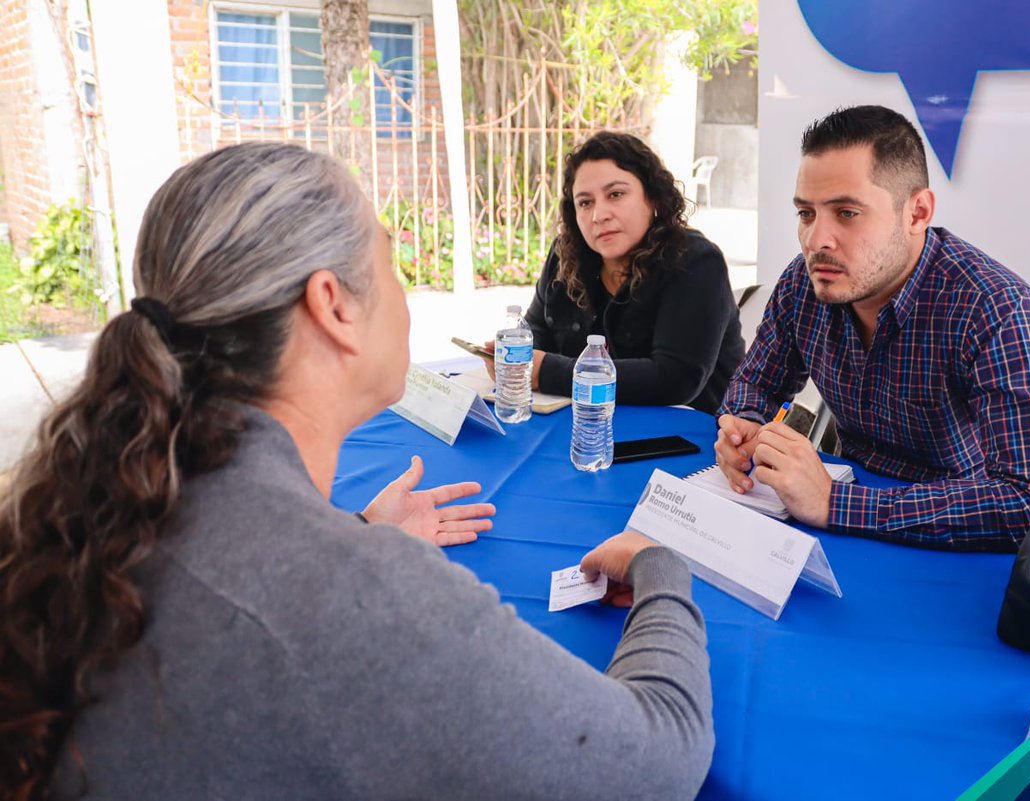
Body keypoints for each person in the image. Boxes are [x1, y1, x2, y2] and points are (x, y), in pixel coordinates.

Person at [0, 144, 713, 799]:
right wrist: (660, 566)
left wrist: (357, 530)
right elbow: (659, 762)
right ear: (332, 305)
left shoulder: (101, 503)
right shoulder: (352, 595)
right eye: (392, 265)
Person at [715, 105, 1030, 551]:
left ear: (917, 213)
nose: (816, 240)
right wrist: (744, 428)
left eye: (846, 213)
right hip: (839, 517)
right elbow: (754, 384)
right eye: (806, 214)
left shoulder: (992, 306)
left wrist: (836, 503)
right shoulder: (804, 281)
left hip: (954, 539)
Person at [490, 131, 745, 415]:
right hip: (588, 424)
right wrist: (515, 360)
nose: (599, 214)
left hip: (692, 440)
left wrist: (547, 371)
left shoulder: (696, 261)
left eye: (616, 195)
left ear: (654, 199)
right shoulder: (566, 255)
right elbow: (538, 332)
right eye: (585, 202)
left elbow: (675, 378)